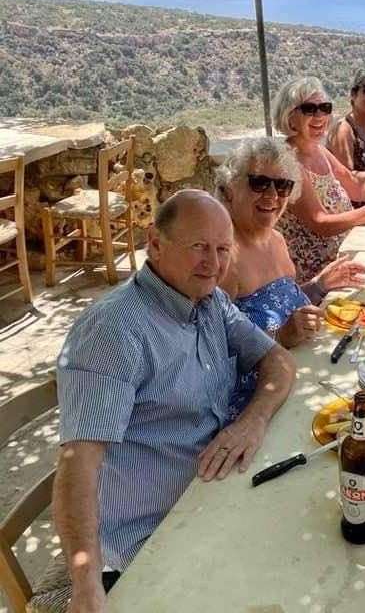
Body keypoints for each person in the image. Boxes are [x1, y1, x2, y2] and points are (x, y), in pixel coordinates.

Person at [53, 190, 297, 608]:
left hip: (212, 495)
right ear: (155, 242)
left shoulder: (208, 300)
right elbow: (79, 466)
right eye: (199, 246)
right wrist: (85, 584)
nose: (214, 263)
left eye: (222, 249)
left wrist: (251, 421)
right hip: (151, 536)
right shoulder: (114, 332)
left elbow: (278, 361)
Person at [215, 137, 365, 419]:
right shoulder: (223, 260)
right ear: (228, 190)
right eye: (259, 182)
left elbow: (278, 302)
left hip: (305, 373)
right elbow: (210, 353)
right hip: (262, 404)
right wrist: (280, 337)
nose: (272, 195)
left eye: (283, 185)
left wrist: (320, 285)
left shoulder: (275, 239)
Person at [274, 76, 365, 282]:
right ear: (290, 117)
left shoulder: (318, 150)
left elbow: (354, 184)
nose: (319, 116)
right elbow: (320, 223)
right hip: (321, 271)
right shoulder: (288, 162)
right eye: (309, 109)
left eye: (324, 108)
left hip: (348, 246)